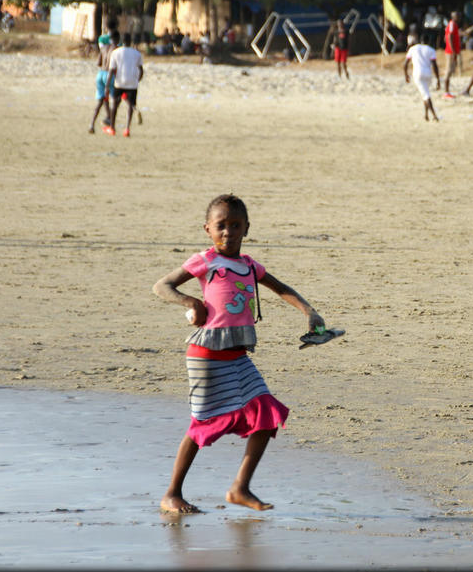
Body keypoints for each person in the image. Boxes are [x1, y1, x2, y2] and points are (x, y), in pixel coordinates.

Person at [155, 194, 326, 514]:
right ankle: (172, 494)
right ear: (208, 229)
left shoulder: (249, 266)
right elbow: (162, 286)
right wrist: (191, 302)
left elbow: (281, 288)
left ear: (247, 228)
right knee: (201, 423)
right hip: (205, 355)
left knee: (265, 414)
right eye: (221, 226)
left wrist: (309, 311)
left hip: (237, 357)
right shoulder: (205, 261)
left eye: (235, 226)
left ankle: (240, 487)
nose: (228, 233)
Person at [106, 32, 144, 137]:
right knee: (130, 106)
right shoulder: (137, 53)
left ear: (122, 41)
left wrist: (107, 86)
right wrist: (137, 80)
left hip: (119, 82)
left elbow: (111, 70)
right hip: (132, 83)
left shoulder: (116, 53)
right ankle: (127, 129)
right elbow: (141, 70)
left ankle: (112, 128)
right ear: (130, 41)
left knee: (115, 104)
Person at [404, 32, 441, 121]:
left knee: (425, 94)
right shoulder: (431, 50)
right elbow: (435, 65)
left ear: (420, 40)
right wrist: (438, 79)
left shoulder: (413, 49)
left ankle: (434, 115)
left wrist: (406, 75)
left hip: (417, 73)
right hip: (428, 74)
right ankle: (426, 115)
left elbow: (405, 64)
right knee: (425, 93)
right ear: (428, 41)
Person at [89, 29, 118, 134]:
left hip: (100, 74)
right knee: (114, 99)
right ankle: (111, 125)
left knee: (101, 100)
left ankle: (92, 124)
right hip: (109, 75)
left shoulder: (104, 48)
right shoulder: (116, 49)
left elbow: (98, 63)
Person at [442, 11, 461, 98]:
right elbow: (449, 37)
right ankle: (446, 92)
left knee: (450, 70)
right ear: (454, 16)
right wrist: (453, 51)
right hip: (451, 52)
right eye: (457, 16)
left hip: (452, 51)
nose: (459, 17)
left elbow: (445, 38)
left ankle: (447, 90)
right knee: (448, 71)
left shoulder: (452, 25)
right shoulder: (452, 24)